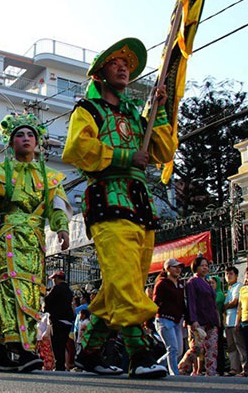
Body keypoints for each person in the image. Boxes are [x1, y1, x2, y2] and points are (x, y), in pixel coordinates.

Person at [61, 37, 173, 378]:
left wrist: (161, 108)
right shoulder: (87, 110)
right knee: (124, 280)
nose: (124, 67)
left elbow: (163, 151)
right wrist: (125, 156)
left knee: (122, 284)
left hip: (139, 201)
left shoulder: (136, 117)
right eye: (115, 63)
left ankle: (90, 350)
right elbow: (77, 149)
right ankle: (141, 351)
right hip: (108, 198)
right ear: (99, 73)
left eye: (127, 64)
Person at [0, 113, 72, 373]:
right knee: (10, 289)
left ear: (38, 142)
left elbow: (57, 205)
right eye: (20, 134)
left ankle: (12, 349)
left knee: (32, 292)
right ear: (10, 142)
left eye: (30, 135)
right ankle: (18, 347)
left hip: (36, 241)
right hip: (9, 237)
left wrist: (62, 228)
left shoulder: (51, 177)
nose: (26, 139)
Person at [178, 255, 220, 376]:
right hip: (198, 321)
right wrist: (193, 320)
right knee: (197, 348)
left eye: (206, 265)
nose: (205, 268)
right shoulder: (192, 282)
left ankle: (211, 372)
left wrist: (217, 319)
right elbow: (191, 302)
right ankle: (181, 368)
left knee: (212, 348)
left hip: (211, 321)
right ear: (196, 267)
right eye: (202, 265)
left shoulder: (207, 283)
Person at [153, 258, 185, 376]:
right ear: (167, 269)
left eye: (180, 267)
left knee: (178, 351)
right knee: (172, 348)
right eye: (175, 267)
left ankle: (155, 365)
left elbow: (182, 303)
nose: (178, 269)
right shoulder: (162, 284)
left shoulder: (180, 284)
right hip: (164, 320)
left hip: (177, 321)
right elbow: (155, 303)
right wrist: (147, 322)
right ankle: (174, 374)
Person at [45, 270, 75, 371]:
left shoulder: (57, 288)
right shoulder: (69, 290)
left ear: (57, 279)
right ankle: (61, 365)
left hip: (58, 320)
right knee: (63, 344)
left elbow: (48, 301)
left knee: (56, 344)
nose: (53, 281)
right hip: (68, 320)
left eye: (53, 279)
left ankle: (59, 365)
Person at [223, 266, 247, 376]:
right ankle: (234, 368)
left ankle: (245, 368)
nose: (228, 275)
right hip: (228, 322)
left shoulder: (239, 286)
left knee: (239, 345)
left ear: (237, 275)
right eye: (227, 273)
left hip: (235, 321)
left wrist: (224, 306)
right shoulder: (229, 289)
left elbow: (235, 302)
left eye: (231, 273)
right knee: (231, 347)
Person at [209, 275, 226, 376]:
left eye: (213, 283)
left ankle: (220, 369)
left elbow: (212, 304)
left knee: (218, 347)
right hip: (211, 323)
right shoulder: (210, 294)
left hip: (218, 323)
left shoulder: (219, 294)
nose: (211, 285)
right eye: (210, 283)